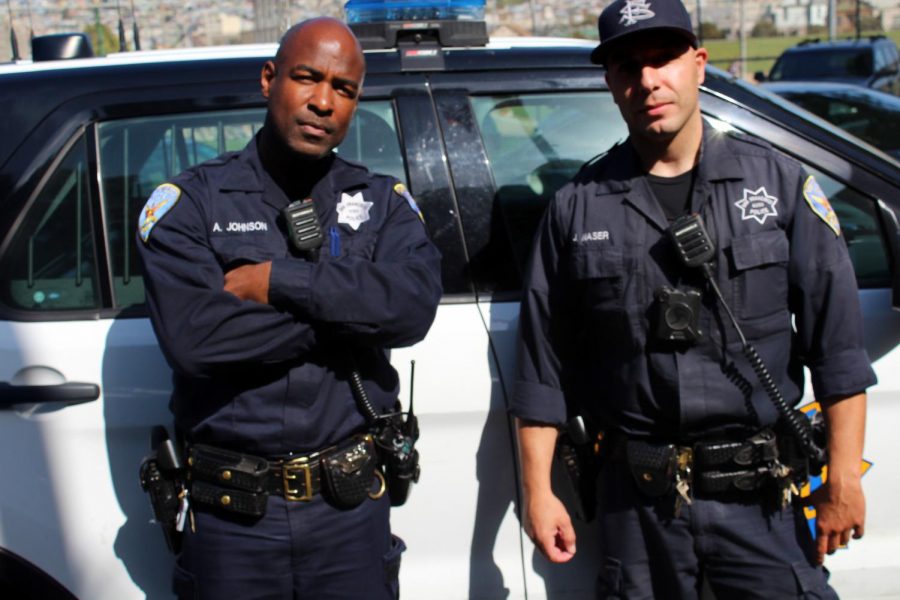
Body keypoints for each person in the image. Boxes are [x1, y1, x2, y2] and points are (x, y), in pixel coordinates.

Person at [511, 0, 873, 597]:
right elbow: (541, 368)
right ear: (611, 83)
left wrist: (843, 480)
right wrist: (538, 491)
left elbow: (837, 347)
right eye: (628, 66)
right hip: (640, 515)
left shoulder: (778, 186)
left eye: (663, 59)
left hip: (762, 505)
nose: (648, 80)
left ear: (699, 65)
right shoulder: (576, 208)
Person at [136, 17, 441, 599]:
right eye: (307, 78)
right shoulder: (189, 204)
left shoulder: (380, 202)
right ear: (269, 79)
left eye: (344, 89)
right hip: (232, 523)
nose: (324, 101)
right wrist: (352, 314)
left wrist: (278, 281)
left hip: (348, 512)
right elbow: (197, 340)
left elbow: (412, 309)